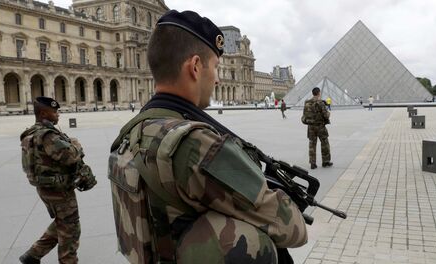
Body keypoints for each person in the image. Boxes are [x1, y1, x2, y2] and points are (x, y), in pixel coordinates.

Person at [108, 10, 307, 263]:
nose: (217, 79)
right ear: (195, 67)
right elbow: (293, 229)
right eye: (215, 67)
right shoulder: (194, 144)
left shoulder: (131, 133)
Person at [19, 97, 96, 264]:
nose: (58, 115)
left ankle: (33, 255)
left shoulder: (32, 132)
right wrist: (76, 144)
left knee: (63, 221)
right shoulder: (47, 135)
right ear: (44, 113)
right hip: (58, 190)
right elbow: (71, 156)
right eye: (55, 112)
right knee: (71, 228)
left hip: (47, 187)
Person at [302, 87, 333, 169]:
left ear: (313, 93)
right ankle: (325, 162)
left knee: (312, 144)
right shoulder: (321, 103)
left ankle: (312, 163)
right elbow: (326, 115)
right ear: (319, 93)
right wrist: (329, 113)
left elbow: (304, 115)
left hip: (311, 127)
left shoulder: (307, 103)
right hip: (320, 126)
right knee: (325, 143)